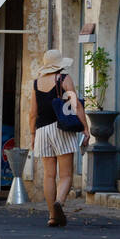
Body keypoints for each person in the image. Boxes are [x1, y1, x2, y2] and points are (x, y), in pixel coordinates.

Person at [29, 49, 90, 226]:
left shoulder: (36, 83)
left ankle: (52, 216)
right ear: (60, 64)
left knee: (48, 175)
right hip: (61, 129)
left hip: (41, 131)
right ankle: (59, 202)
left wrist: (33, 135)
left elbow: (32, 113)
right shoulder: (63, 79)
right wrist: (85, 127)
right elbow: (76, 105)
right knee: (65, 175)